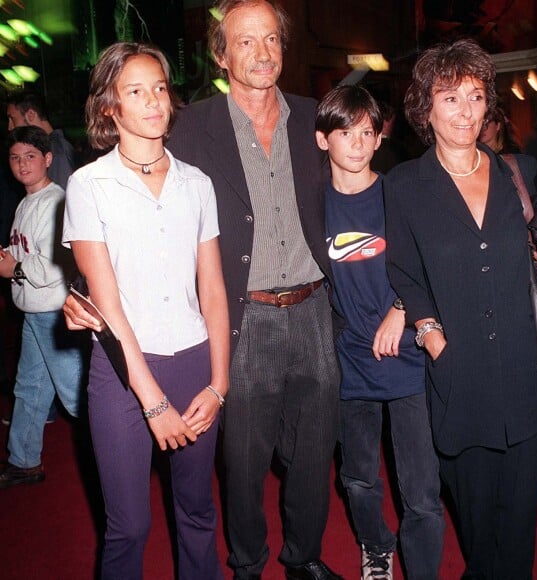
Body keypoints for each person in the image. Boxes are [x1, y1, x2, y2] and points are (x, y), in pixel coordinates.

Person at [63, 2, 342, 579]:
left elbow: (366, 194)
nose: (262, 52)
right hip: (244, 312)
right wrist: (75, 291)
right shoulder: (188, 126)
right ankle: (246, 564)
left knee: (314, 453)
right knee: (240, 462)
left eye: (272, 39)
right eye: (246, 41)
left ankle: (304, 558)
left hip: (312, 307)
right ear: (220, 55)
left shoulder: (319, 119)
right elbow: (111, 234)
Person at [383, 38, 537, 579]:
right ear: (426, 109)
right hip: (461, 384)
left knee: (520, 528)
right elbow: (404, 273)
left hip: (531, 377)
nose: (465, 111)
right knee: (479, 530)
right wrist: (431, 333)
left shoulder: (520, 173)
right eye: (450, 98)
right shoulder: (405, 187)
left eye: (475, 96)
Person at [62, 42, 230, 579]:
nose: (155, 101)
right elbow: (105, 306)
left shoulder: (197, 183)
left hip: (194, 362)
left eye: (159, 87)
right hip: (121, 371)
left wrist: (219, 383)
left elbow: (214, 291)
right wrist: (153, 402)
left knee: (198, 509)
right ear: (110, 107)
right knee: (129, 526)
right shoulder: (88, 185)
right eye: (136, 91)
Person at [315, 84, 444, 580]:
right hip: (348, 361)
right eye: (345, 132)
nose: (358, 142)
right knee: (358, 479)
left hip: (409, 358)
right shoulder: (313, 205)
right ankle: (375, 546)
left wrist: (400, 307)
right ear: (323, 140)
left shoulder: (400, 194)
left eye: (367, 132)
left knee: (421, 490)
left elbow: (436, 264)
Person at [0, 126, 85, 488]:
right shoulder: (26, 201)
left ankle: (124, 453)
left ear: (48, 159)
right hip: (33, 313)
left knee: (76, 396)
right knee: (30, 389)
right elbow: (26, 252)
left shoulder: (54, 202)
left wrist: (13, 268)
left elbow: (53, 266)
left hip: (53, 313)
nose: (22, 164)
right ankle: (24, 462)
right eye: (16, 157)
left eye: (30, 156)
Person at [6, 91, 76, 189]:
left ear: (30, 115)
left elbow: (62, 195)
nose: (10, 127)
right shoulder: (54, 146)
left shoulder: (57, 151)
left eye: (12, 119)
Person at [370, 101, 407, 174]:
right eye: (393, 123)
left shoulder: (367, 146)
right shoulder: (393, 149)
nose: (393, 127)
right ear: (386, 123)